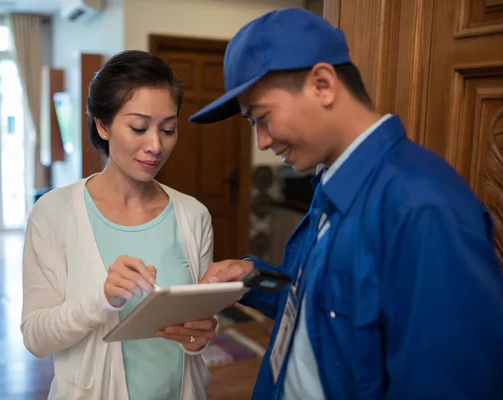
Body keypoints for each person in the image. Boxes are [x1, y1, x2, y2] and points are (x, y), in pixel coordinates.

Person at [189, 7, 503, 400]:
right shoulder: (331, 184)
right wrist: (250, 276)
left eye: (262, 118)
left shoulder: (425, 209)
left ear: (322, 84)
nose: (262, 142)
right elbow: (321, 306)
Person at [21, 50, 217, 400]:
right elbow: (36, 337)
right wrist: (102, 298)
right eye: (139, 128)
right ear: (102, 125)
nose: (155, 145)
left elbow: (191, 334)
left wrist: (197, 338)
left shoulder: (194, 216)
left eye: (168, 129)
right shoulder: (53, 213)